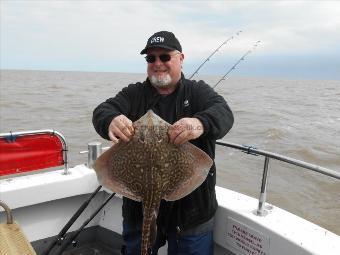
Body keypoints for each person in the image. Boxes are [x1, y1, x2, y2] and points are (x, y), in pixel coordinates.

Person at [92, 31, 234, 255]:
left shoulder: (197, 92)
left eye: (165, 57)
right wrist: (110, 120)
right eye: (151, 58)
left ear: (181, 58)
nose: (158, 63)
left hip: (192, 211)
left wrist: (199, 123)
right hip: (138, 210)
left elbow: (224, 114)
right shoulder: (134, 94)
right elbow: (102, 110)